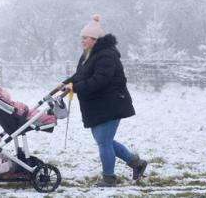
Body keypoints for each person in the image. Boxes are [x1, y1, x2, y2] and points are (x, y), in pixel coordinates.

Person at [60, 14, 147, 187]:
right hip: (98, 105)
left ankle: (109, 179)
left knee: (104, 142)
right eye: (82, 37)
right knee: (105, 141)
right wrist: (66, 83)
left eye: (85, 38)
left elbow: (100, 81)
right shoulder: (88, 55)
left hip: (111, 104)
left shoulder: (106, 56)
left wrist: (75, 88)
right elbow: (81, 75)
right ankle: (136, 164)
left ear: (95, 39)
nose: (82, 41)